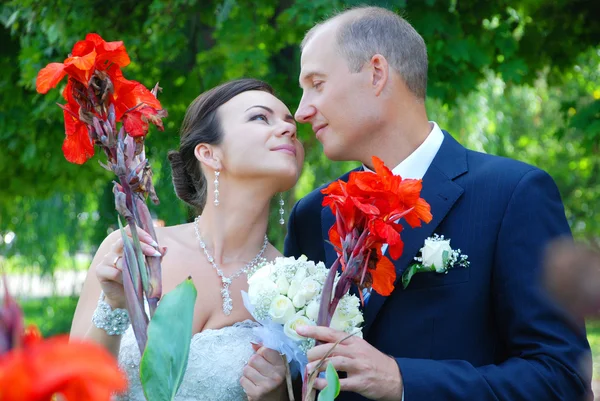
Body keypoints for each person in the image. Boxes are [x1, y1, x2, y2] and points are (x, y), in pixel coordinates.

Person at [284, 6, 592, 401]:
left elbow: (561, 378)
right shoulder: (314, 214)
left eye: (316, 83)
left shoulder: (513, 194)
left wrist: (403, 380)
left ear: (377, 74)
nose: (301, 110)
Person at [70, 78, 305, 401]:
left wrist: (275, 395)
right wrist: (113, 305)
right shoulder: (131, 251)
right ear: (209, 154)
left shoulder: (298, 288)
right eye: (261, 117)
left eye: (290, 123)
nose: (288, 129)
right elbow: (71, 393)